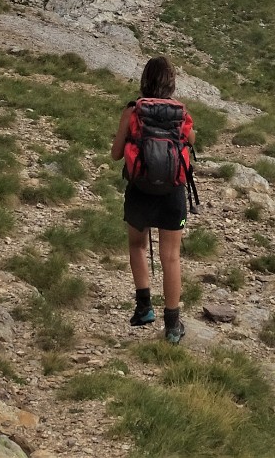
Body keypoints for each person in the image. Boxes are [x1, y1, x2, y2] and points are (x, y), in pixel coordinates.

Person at [111, 55, 195, 344]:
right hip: (172, 192)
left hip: (140, 190)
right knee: (170, 257)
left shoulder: (133, 111)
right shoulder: (181, 114)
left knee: (137, 245)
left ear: (144, 80)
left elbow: (116, 153)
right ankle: (172, 327)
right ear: (171, 83)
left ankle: (144, 308)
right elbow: (192, 141)